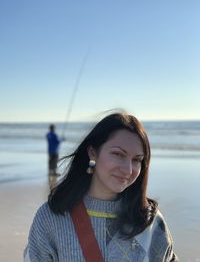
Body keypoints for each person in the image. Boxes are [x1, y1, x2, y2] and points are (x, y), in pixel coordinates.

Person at [25, 112, 179, 261]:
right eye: (118, 154)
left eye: (137, 160)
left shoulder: (149, 220)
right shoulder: (50, 218)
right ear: (93, 152)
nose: (128, 170)